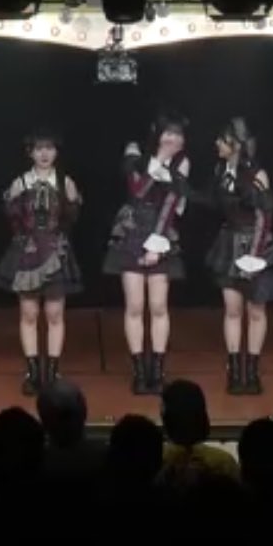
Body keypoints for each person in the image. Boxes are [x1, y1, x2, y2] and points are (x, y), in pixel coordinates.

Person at [200, 117, 273, 394]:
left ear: (236, 144)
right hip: (229, 243)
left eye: (222, 139)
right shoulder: (220, 170)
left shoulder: (257, 174)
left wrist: (255, 256)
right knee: (232, 310)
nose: (217, 143)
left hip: (256, 244)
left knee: (256, 310)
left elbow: (265, 218)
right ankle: (234, 369)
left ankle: (251, 371)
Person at [103, 112, 191, 395]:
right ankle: (140, 372)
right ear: (157, 134)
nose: (174, 139)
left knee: (158, 306)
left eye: (178, 135)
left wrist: (157, 243)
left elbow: (172, 203)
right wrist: (160, 160)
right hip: (132, 231)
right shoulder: (135, 154)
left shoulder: (182, 162)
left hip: (162, 232)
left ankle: (158, 371)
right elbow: (138, 191)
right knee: (135, 306)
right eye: (169, 133)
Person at [0, 130, 83, 396]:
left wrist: (71, 202)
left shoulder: (65, 182)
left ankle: (53, 372)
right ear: (30, 153)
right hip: (28, 251)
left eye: (49, 148)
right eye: (39, 149)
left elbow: (71, 220)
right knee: (29, 314)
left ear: (56, 152)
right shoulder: (21, 182)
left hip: (56, 251)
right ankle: (33, 372)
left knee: (55, 314)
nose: (44, 154)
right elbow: (11, 218)